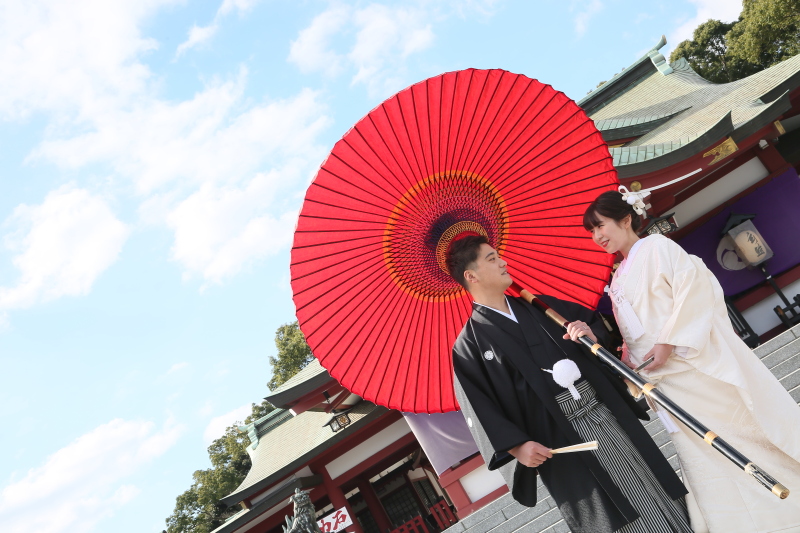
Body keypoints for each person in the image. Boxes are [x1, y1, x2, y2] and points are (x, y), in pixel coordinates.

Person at [584, 190, 800, 533]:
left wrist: (669, 342)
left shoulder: (657, 248)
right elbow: (634, 336)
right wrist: (626, 360)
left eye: (600, 226)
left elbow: (695, 288)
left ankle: (787, 513)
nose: (597, 237)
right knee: (703, 454)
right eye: (591, 232)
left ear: (625, 220)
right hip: (664, 384)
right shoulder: (619, 275)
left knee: (739, 438)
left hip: (692, 369)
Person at [447, 234, 692, 533]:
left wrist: (589, 336)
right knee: (615, 512)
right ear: (471, 276)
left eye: (499, 256)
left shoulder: (541, 307)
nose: (503, 262)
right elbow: (480, 407)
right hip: (558, 440)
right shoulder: (468, 346)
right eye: (492, 259)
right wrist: (517, 447)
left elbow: (598, 337)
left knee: (650, 485)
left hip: (603, 413)